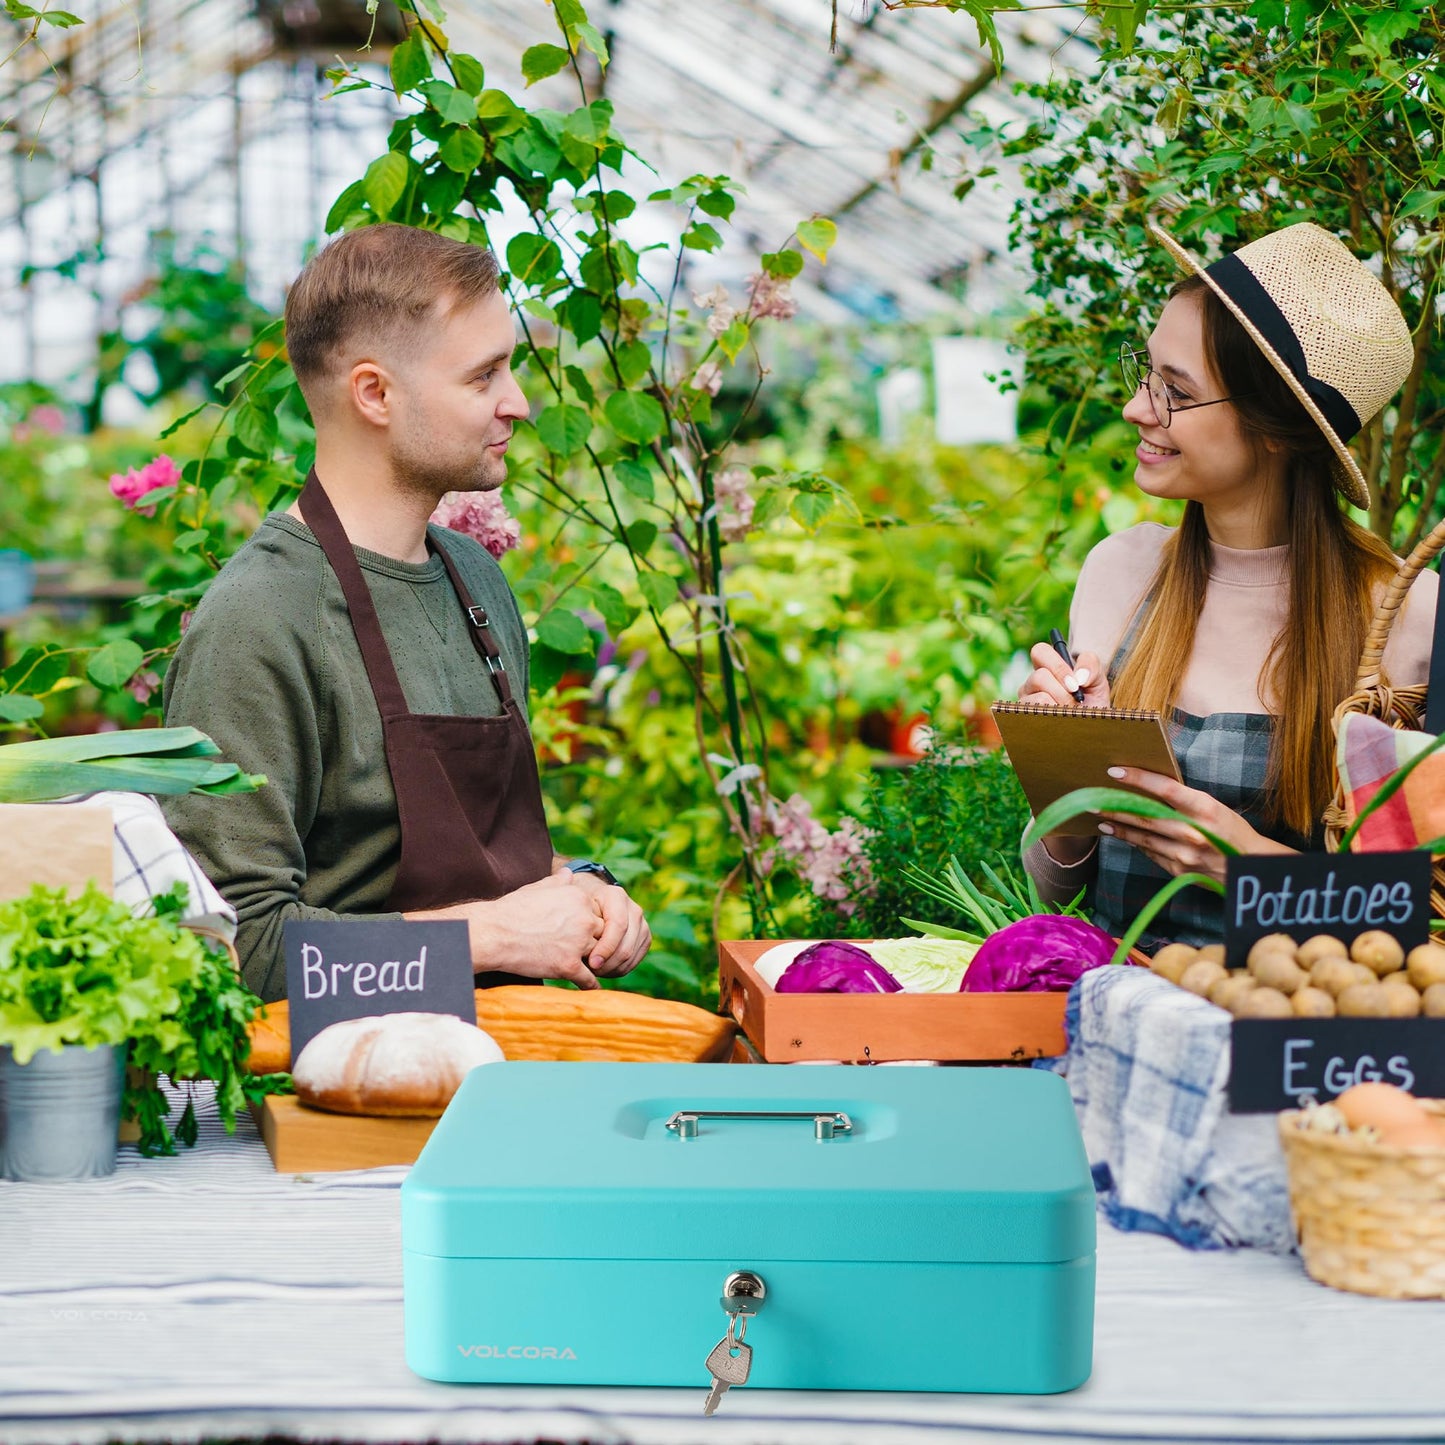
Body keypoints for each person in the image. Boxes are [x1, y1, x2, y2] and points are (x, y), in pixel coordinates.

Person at [161, 224, 651, 1001]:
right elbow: (232, 944)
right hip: (348, 1091)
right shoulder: (260, 621)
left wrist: (583, 891)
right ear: (375, 393)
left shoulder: (474, 579)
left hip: (501, 1065)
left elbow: (470, 863)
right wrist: (493, 936)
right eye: (484, 375)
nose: (518, 404)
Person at [1020, 220, 1437, 947]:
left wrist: (1248, 866)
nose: (1136, 409)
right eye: (1145, 372)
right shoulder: (1121, 572)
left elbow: (1420, 918)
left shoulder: (1404, 617)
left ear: (1276, 428)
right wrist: (1063, 783)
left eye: (1175, 391)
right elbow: (1057, 890)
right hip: (1115, 1014)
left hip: (1297, 1040)